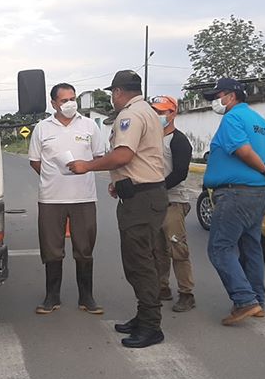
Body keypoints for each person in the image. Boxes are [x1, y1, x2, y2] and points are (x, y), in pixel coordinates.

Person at [68, 70, 167, 348]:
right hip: (145, 194)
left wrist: (87, 166)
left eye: (113, 94)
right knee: (144, 258)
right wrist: (120, 182)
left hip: (141, 200)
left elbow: (123, 155)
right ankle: (144, 316)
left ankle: (151, 325)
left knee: (139, 262)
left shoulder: (130, 115)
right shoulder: (148, 111)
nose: (113, 99)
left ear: (118, 92)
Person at [200, 78, 265, 325]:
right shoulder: (261, 121)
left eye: (218, 96)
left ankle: (245, 300)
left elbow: (243, 151)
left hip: (236, 194)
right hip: (259, 194)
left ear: (231, 96)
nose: (215, 101)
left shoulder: (232, 118)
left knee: (220, 248)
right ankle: (257, 301)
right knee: (251, 248)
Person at [28, 83, 106, 315]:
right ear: (54, 104)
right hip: (51, 198)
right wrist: (53, 176)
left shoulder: (89, 126)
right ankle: (52, 297)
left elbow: (99, 157)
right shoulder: (42, 128)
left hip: (84, 197)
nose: (70, 104)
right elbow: (35, 161)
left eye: (73, 99)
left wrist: (84, 167)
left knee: (84, 248)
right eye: (64, 100)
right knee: (52, 249)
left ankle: (87, 297)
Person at [149, 95, 196, 313]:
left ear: (173, 113)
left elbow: (180, 173)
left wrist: (157, 188)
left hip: (173, 201)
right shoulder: (150, 138)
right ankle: (162, 287)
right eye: (155, 111)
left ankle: (186, 293)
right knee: (158, 249)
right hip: (154, 202)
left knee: (177, 248)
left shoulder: (179, 141)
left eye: (162, 112)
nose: (158, 115)